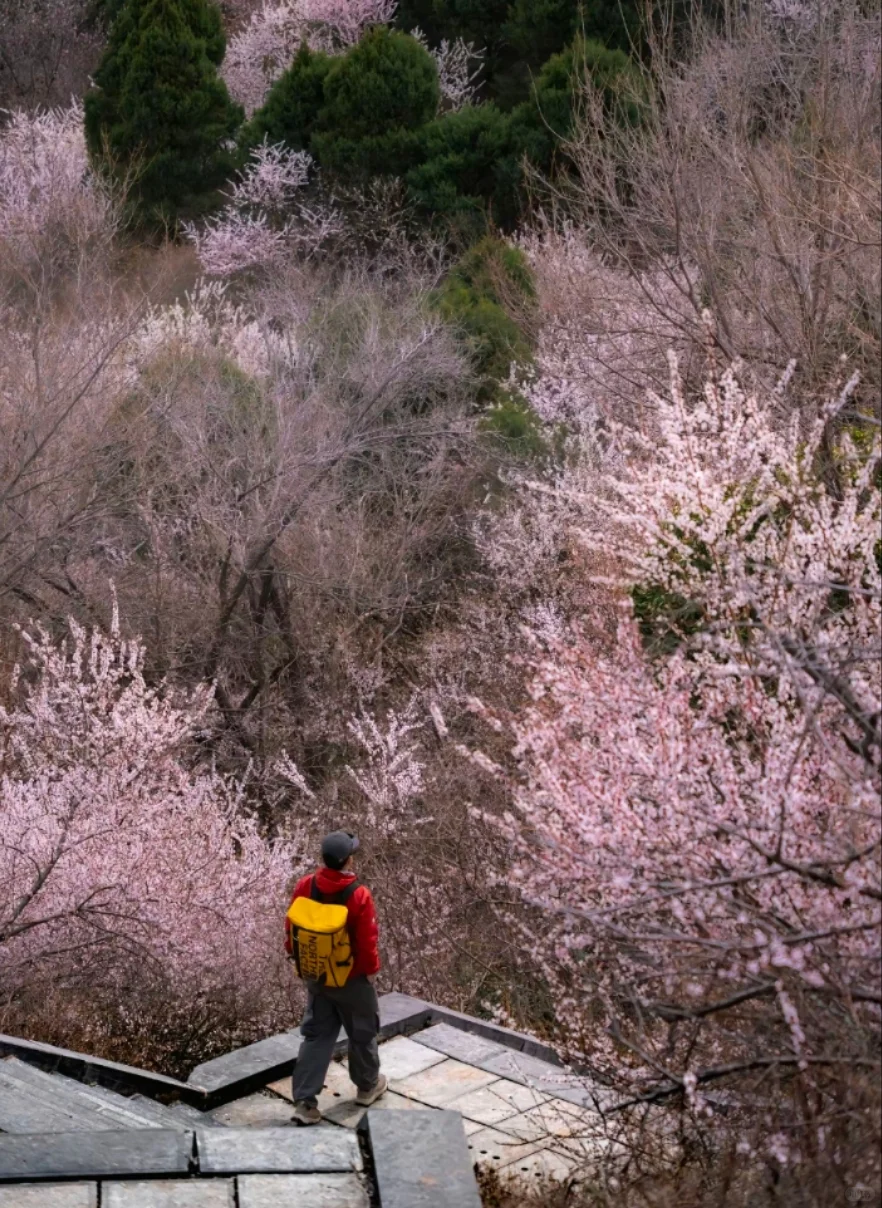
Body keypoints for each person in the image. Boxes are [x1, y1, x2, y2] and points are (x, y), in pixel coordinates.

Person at [285, 829, 387, 1125]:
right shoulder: (358, 894)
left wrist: (297, 958)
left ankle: (305, 1103)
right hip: (351, 977)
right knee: (362, 1031)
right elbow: (367, 942)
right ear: (348, 860)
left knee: (316, 1035)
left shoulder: (306, 885)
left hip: (316, 973)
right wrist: (370, 972)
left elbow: (291, 926)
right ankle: (367, 1086)